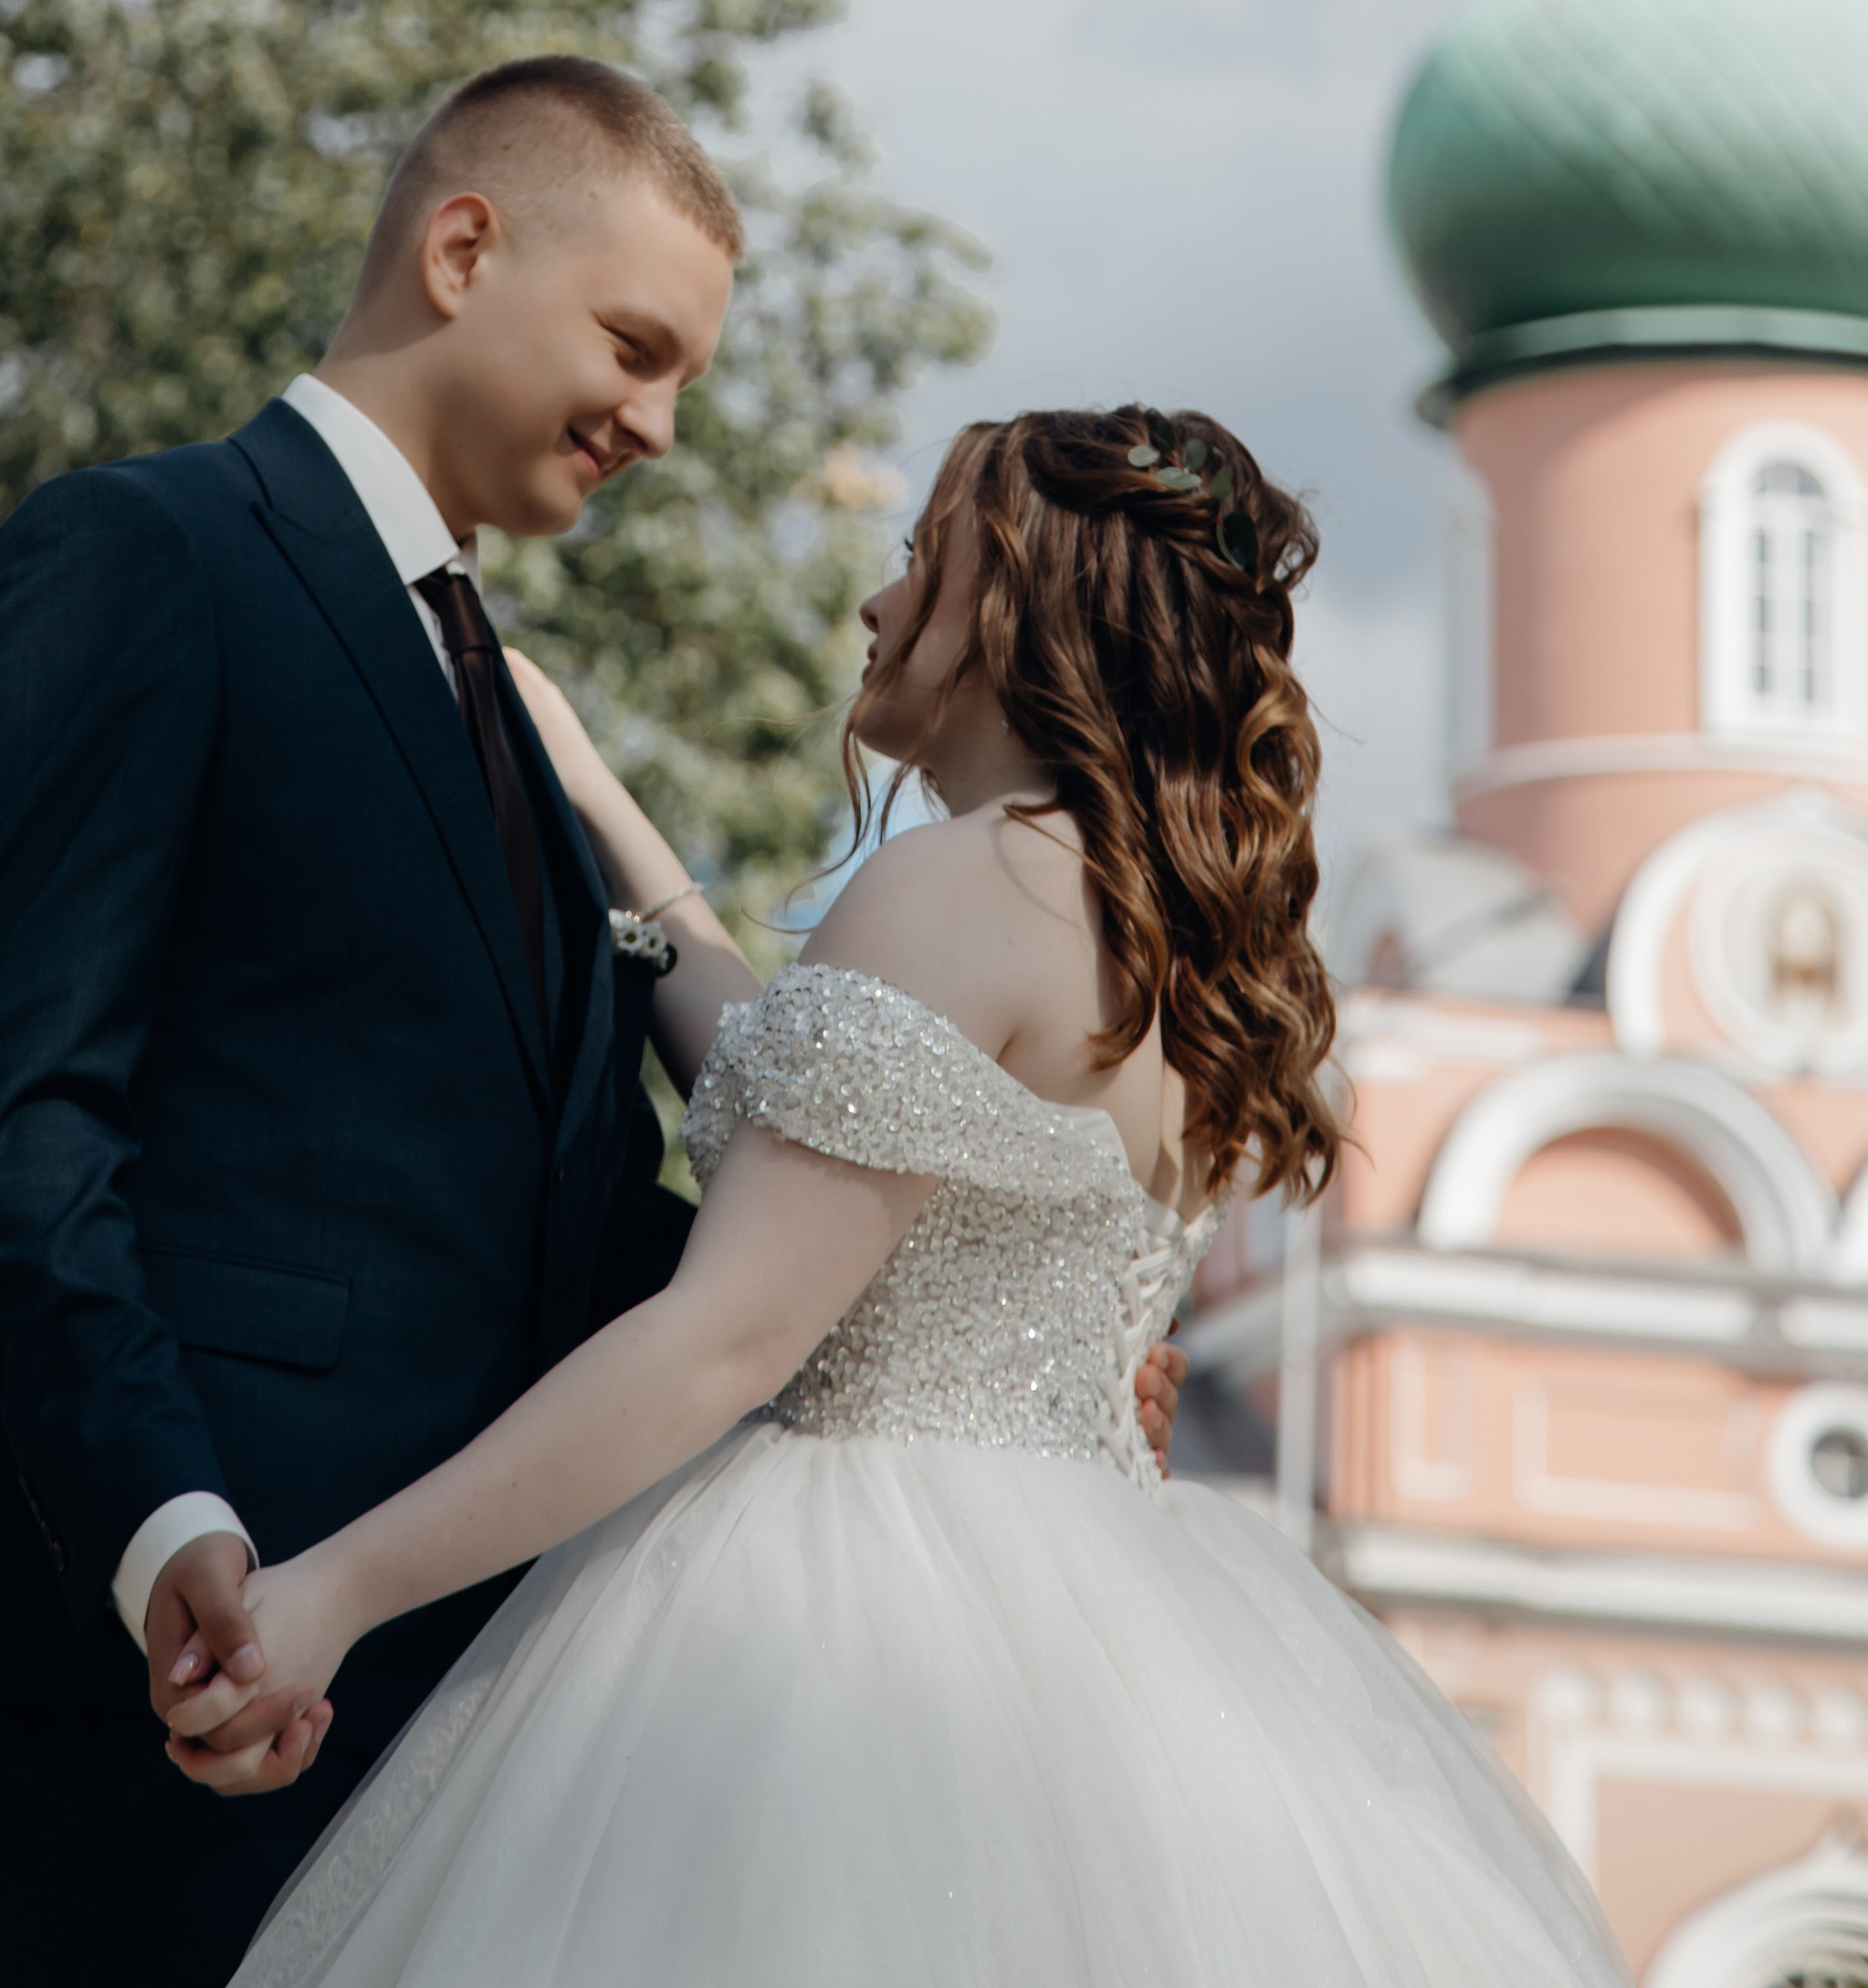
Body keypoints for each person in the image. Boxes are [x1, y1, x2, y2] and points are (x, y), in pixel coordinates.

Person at [0, 50, 1196, 1985]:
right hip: (169, 1657)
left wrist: (959, 1309)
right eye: (636, 348)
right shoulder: (145, 560)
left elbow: (528, 1217)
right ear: (461, 249)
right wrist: (167, 1533)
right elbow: (29, 1129)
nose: (656, 423)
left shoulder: (500, 701)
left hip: (452, 1664)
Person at [159, 405, 1628, 1988]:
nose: (874, 607)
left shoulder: (964, 883)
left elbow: (723, 1341)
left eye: (920, 562)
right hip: (1100, 1632)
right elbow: (798, 1095)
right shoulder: (1168, 949)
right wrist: (598, 804)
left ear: (1010, 610)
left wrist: (338, 1592)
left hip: (845, 1615)